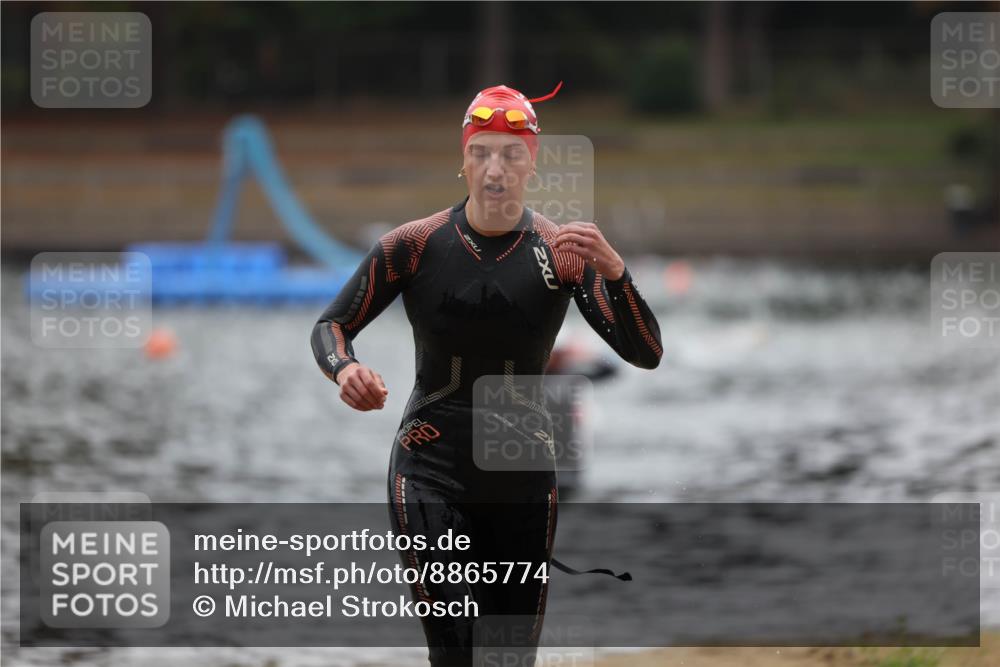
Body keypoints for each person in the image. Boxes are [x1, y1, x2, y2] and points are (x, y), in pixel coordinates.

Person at [310, 82, 662, 666]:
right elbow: (330, 325)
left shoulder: (564, 251)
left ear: (532, 164)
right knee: (455, 651)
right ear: (463, 159)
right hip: (428, 468)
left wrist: (618, 275)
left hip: (521, 477)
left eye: (510, 154)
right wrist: (344, 369)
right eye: (481, 153)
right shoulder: (413, 245)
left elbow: (645, 352)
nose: (494, 170)